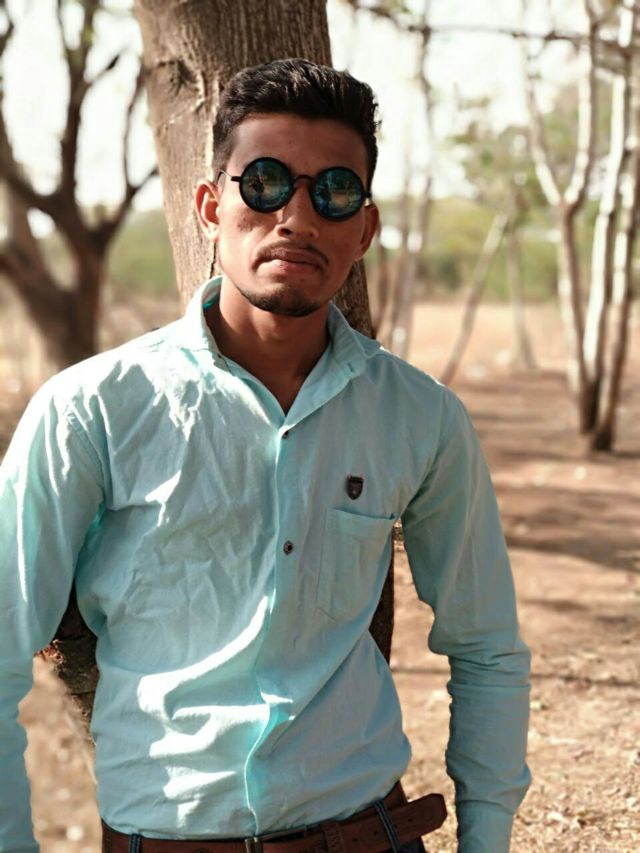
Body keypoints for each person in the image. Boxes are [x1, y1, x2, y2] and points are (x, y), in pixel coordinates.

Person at [0, 59, 531, 853]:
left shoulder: (420, 417)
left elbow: (487, 647)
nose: (297, 216)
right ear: (211, 206)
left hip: (370, 835)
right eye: (266, 182)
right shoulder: (93, 409)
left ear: (364, 229)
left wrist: (486, 838)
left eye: (334, 191)